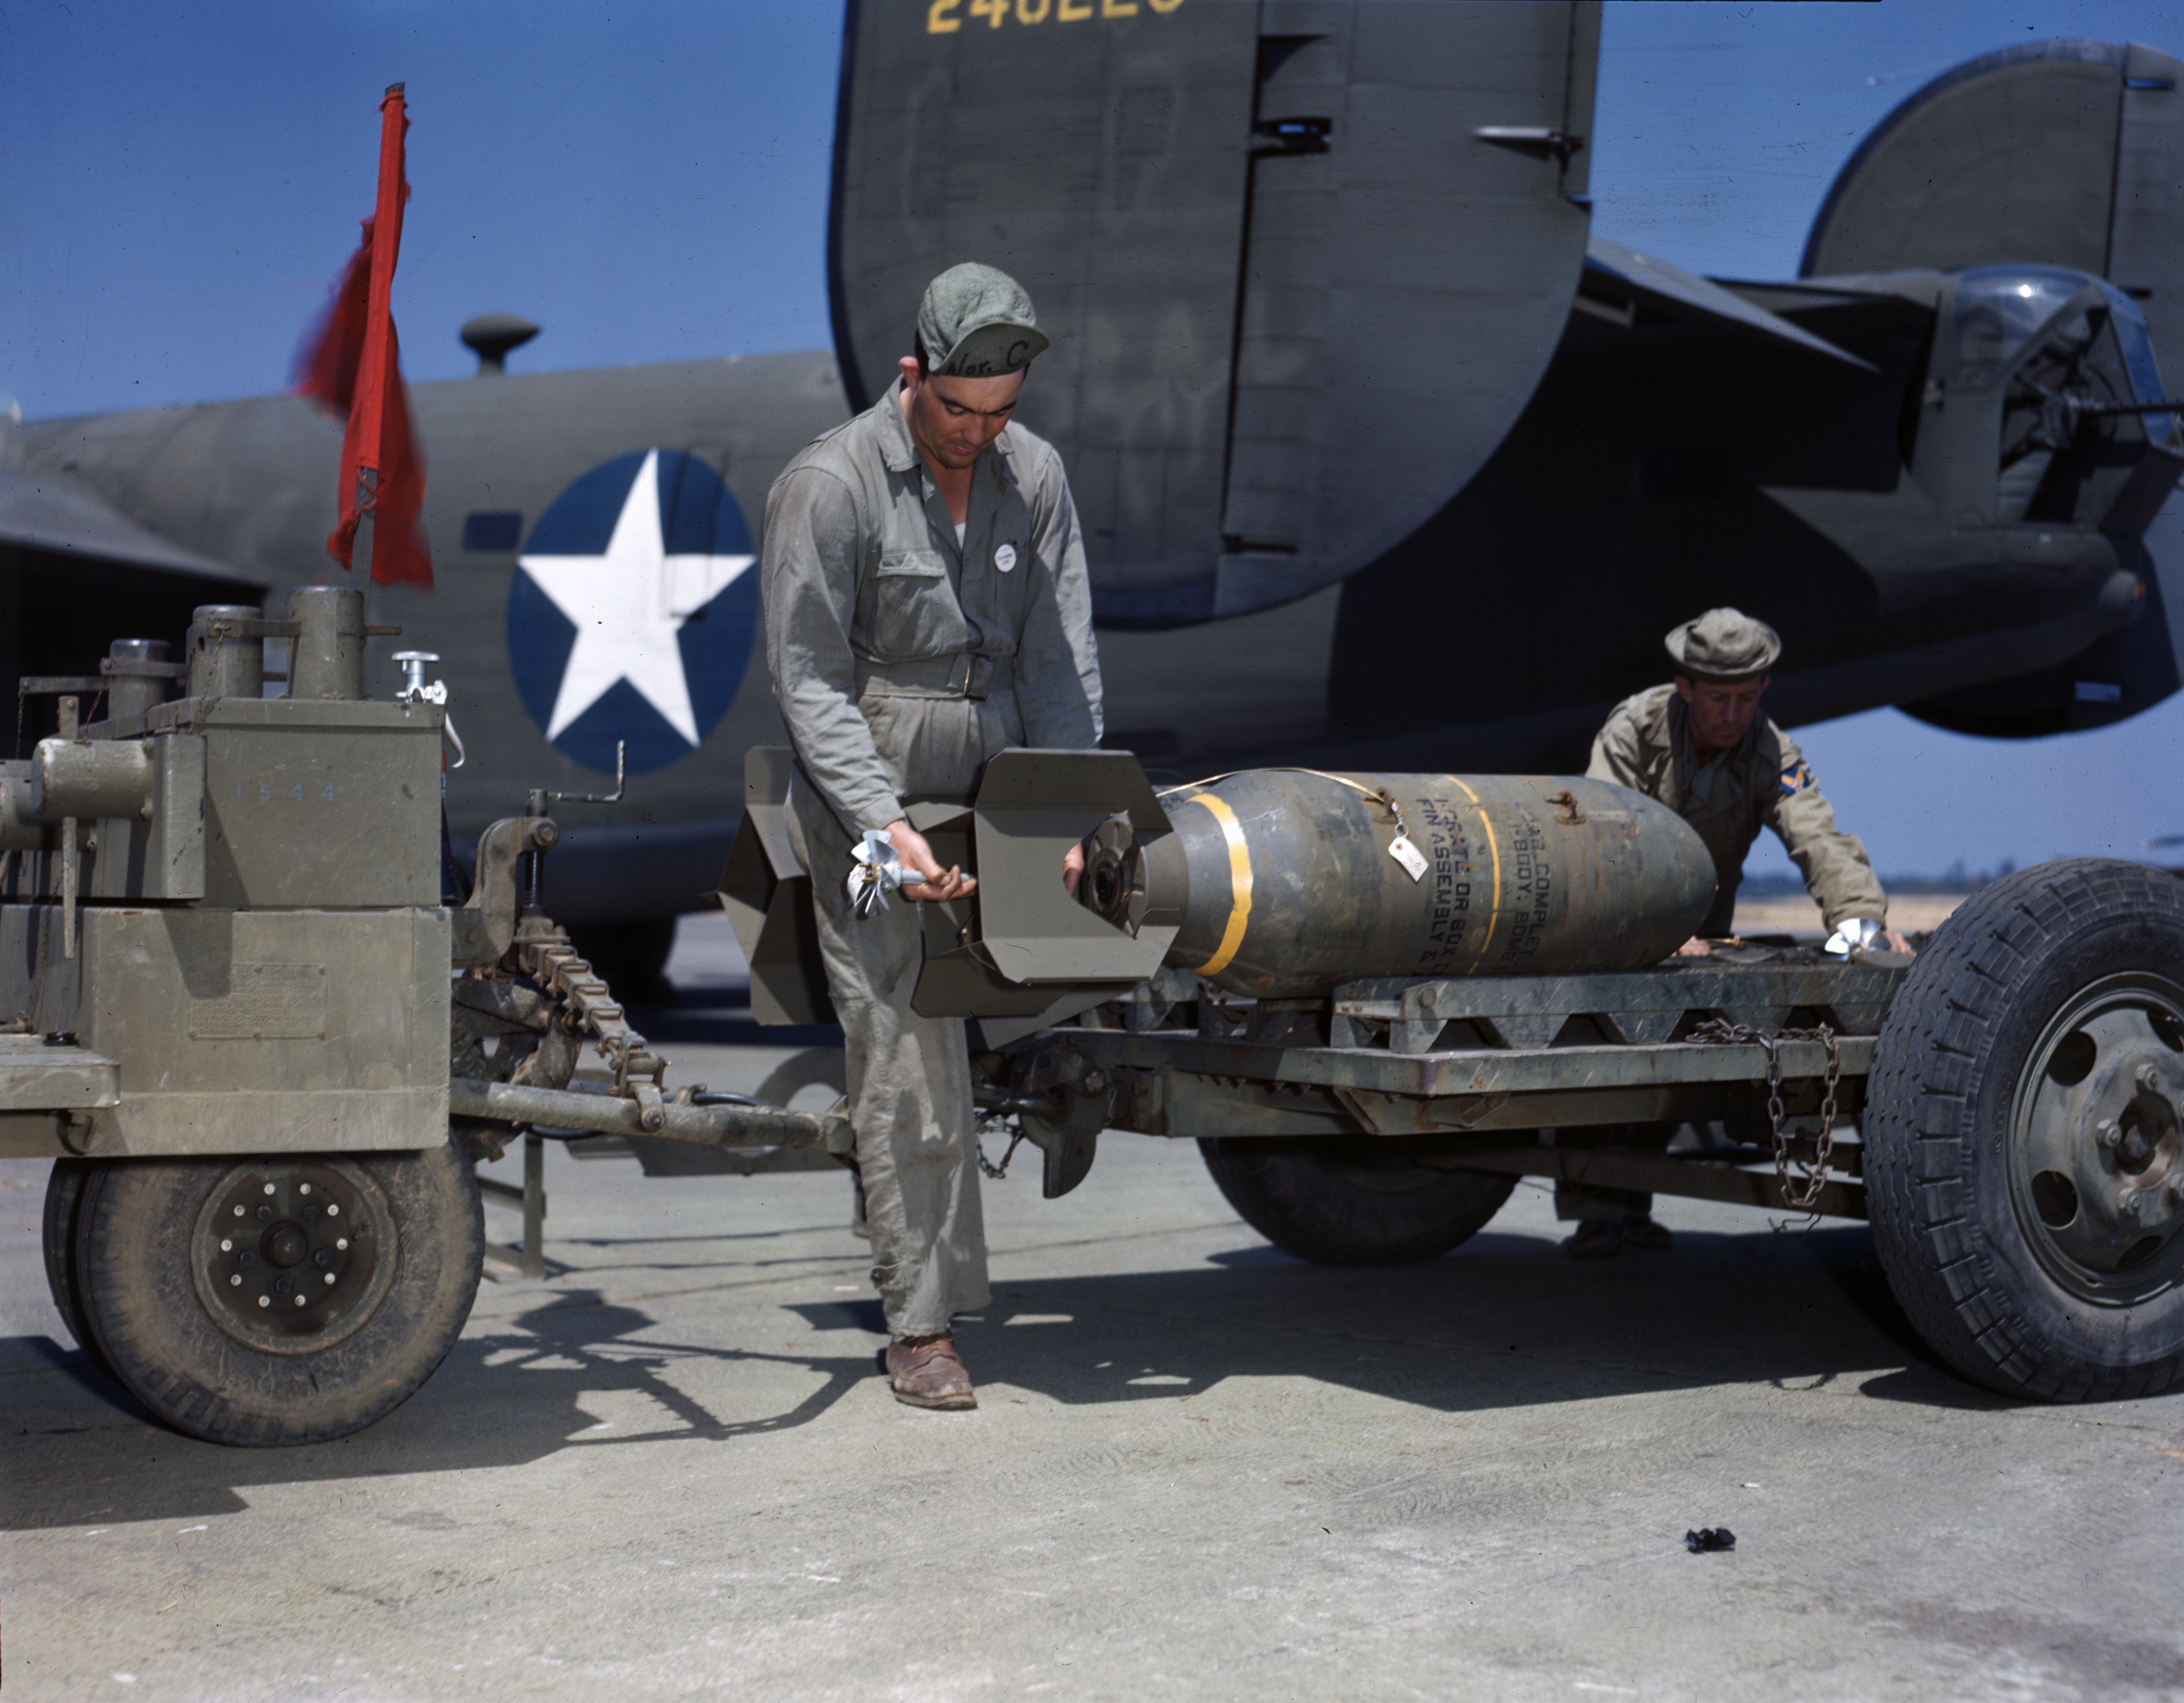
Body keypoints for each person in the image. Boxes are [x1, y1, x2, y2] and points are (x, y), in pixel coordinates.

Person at [760, 263, 1102, 1407]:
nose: (978, 436)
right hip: (857, 805)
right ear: (914, 375)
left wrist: (1058, 811)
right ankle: (919, 1326)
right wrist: (885, 832)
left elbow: (1060, 661)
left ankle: (931, 1246)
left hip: (991, 786)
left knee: (1072, 976)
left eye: (1001, 413)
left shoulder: (1034, 474)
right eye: (959, 410)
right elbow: (808, 685)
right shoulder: (828, 484)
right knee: (902, 1033)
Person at [1562, 606, 1913, 1259]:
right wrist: (1652, 933)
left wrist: (1862, 924)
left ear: (1765, 692)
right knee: (1614, 1067)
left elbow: (1817, 835)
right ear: (1684, 687)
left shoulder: (1770, 750)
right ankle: (1597, 1212)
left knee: (1675, 1074)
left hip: (1708, 929)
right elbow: (1602, 839)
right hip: (1624, 924)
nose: (1731, 715)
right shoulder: (1633, 731)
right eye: (1717, 699)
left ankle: (1624, 1209)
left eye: (1746, 699)